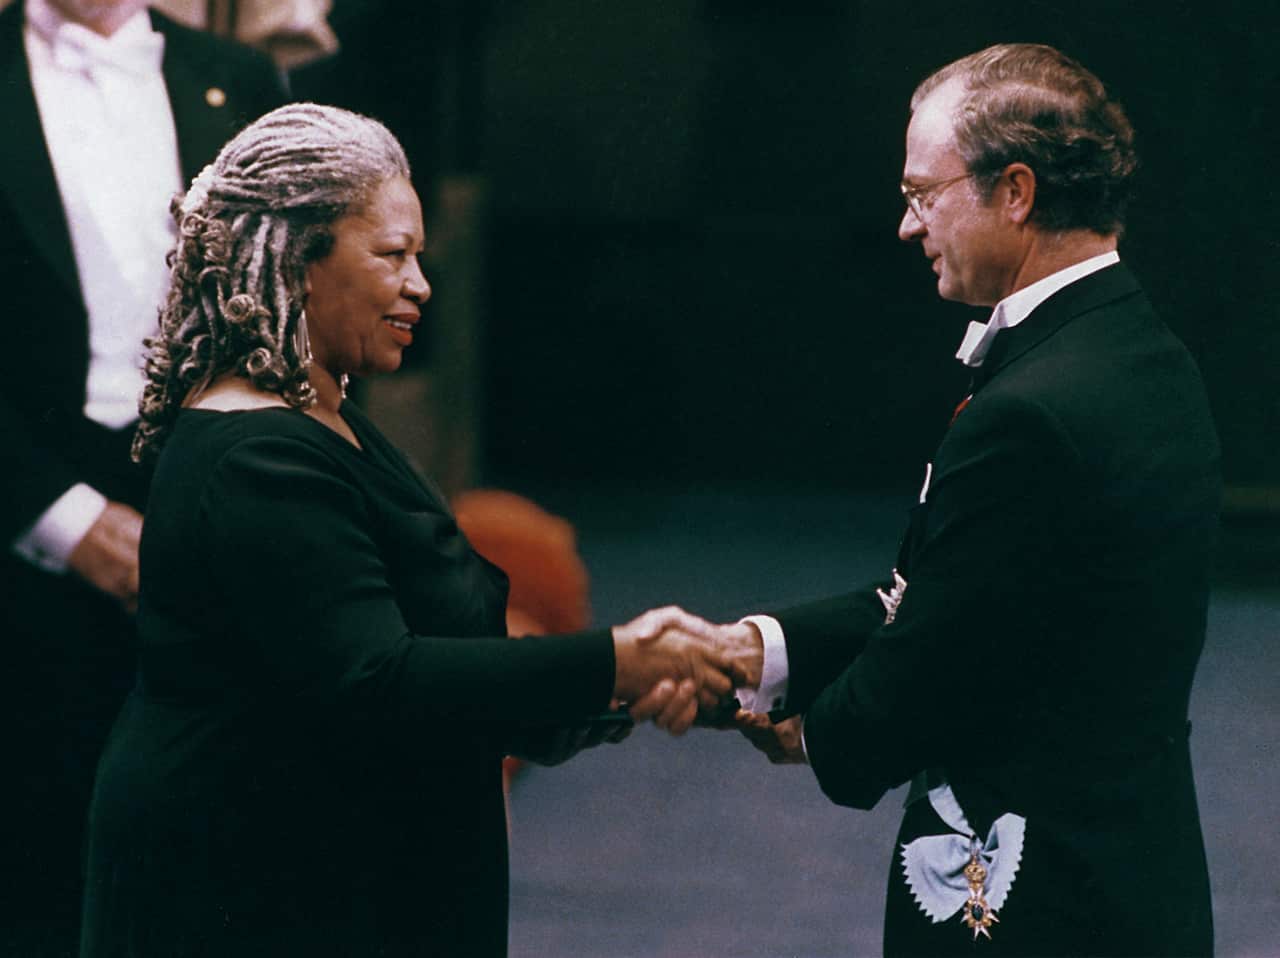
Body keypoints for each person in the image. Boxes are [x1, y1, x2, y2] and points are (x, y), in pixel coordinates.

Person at [79, 102, 744, 957]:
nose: (420, 284)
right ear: (296, 261)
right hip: (255, 889)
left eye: (419, 256)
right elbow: (379, 681)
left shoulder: (322, 416)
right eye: (392, 254)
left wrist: (619, 690)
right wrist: (617, 659)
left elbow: (430, 643)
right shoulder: (255, 454)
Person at [711, 43, 1220, 956]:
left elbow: (941, 650)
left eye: (922, 193)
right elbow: (967, 591)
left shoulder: (1033, 407)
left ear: (1015, 192)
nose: (909, 226)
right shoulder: (1142, 352)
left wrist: (820, 735)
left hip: (1036, 900)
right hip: (1135, 869)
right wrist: (763, 649)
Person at [0, 0, 284, 950]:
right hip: (27, 514)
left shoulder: (236, 77)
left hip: (209, 493)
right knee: (38, 861)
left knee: (214, 848)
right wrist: (63, 519)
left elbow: (290, 319)